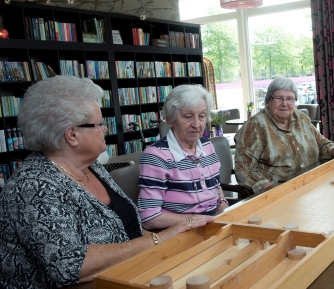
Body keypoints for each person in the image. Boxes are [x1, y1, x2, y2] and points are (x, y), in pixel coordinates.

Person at [0, 76, 212, 288]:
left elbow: (131, 230)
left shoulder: (91, 167)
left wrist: (170, 247)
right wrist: (161, 239)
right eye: (99, 124)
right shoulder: (34, 186)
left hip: (132, 273)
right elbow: (71, 266)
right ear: (72, 135)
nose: (105, 129)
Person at [234, 77, 334, 193]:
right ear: (269, 100)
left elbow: (320, 142)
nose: (284, 103)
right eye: (279, 98)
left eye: (290, 99)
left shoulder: (301, 118)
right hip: (279, 193)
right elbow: (243, 168)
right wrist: (265, 186)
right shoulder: (255, 126)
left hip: (312, 185)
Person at [137, 85, 228, 231]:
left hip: (212, 224)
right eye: (188, 116)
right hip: (181, 233)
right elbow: (149, 218)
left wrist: (222, 203)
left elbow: (216, 186)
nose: (197, 124)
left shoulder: (207, 146)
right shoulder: (156, 156)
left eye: (202, 115)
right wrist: (197, 220)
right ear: (170, 120)